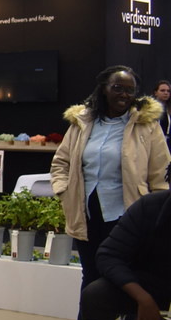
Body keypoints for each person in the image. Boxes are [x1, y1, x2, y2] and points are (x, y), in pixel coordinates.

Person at [49, 65, 170, 291]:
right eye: (117, 88)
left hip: (128, 214)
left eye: (130, 90)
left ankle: (124, 316)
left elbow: (161, 174)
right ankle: (88, 316)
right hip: (86, 213)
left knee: (122, 276)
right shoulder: (82, 122)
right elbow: (60, 163)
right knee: (90, 274)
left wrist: (157, 216)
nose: (124, 94)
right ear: (104, 89)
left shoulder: (147, 126)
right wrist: (64, 191)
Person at [80, 187, 171, 320]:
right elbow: (108, 254)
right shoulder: (149, 206)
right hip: (154, 285)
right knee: (95, 295)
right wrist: (143, 297)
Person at [155, 79, 171, 149]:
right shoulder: (149, 109)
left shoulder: (168, 109)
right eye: (162, 90)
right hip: (154, 142)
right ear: (156, 92)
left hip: (167, 144)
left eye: (168, 91)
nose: (166, 93)